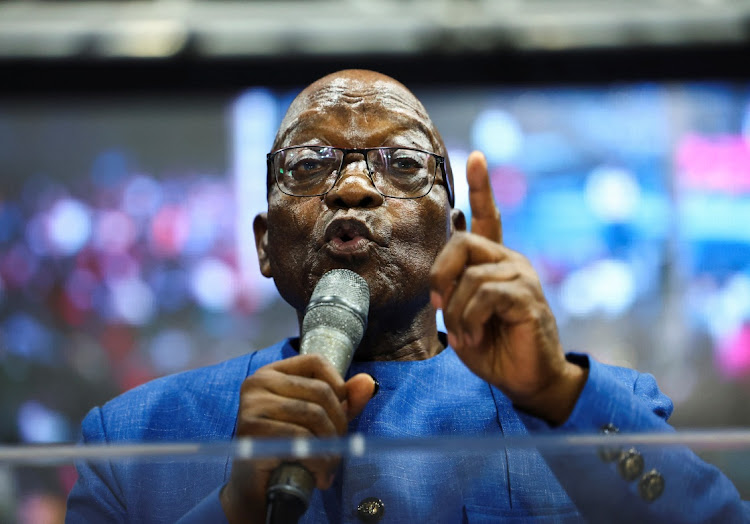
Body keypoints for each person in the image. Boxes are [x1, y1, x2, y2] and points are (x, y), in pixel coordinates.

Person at [66, 70, 750, 523]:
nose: (355, 188)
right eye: (309, 165)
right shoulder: (130, 445)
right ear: (265, 245)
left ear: (455, 239)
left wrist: (558, 395)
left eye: (402, 163)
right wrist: (235, 509)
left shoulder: (594, 410)